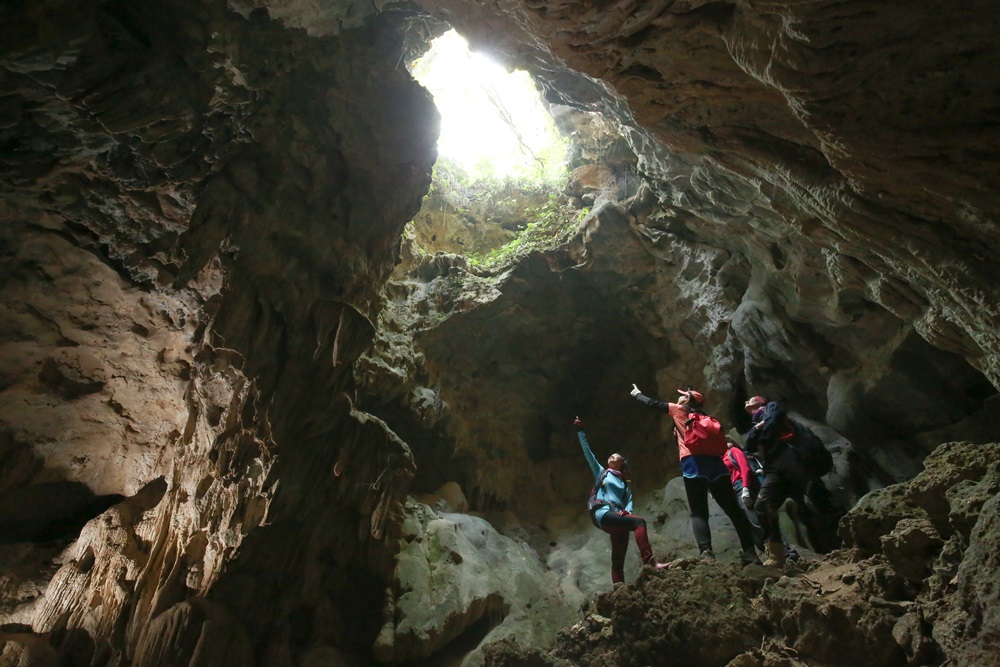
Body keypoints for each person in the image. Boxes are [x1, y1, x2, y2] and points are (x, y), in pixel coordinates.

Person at [629, 384, 761, 565]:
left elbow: (654, 404)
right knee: (734, 511)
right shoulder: (706, 417)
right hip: (717, 465)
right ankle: (750, 553)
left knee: (699, 513)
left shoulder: (679, 411)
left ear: (687, 399)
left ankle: (707, 554)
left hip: (694, 464)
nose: (679, 398)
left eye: (683, 396)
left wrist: (637, 394)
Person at [575, 417, 669, 584]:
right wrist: (580, 432)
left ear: (622, 464)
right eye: (610, 456)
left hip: (617, 517)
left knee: (618, 560)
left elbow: (629, 503)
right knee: (640, 522)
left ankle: (619, 590)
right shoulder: (602, 472)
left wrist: (627, 512)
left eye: (615, 456)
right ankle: (650, 562)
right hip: (603, 512)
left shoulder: (626, 485)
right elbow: (588, 453)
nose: (611, 457)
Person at [743, 395, 808, 567]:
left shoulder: (771, 407)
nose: (746, 402)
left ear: (760, 401)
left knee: (810, 496)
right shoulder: (755, 424)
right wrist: (759, 428)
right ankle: (777, 553)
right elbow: (748, 447)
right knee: (761, 506)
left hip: (790, 458)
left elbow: (771, 422)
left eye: (750, 399)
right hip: (773, 467)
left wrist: (760, 431)